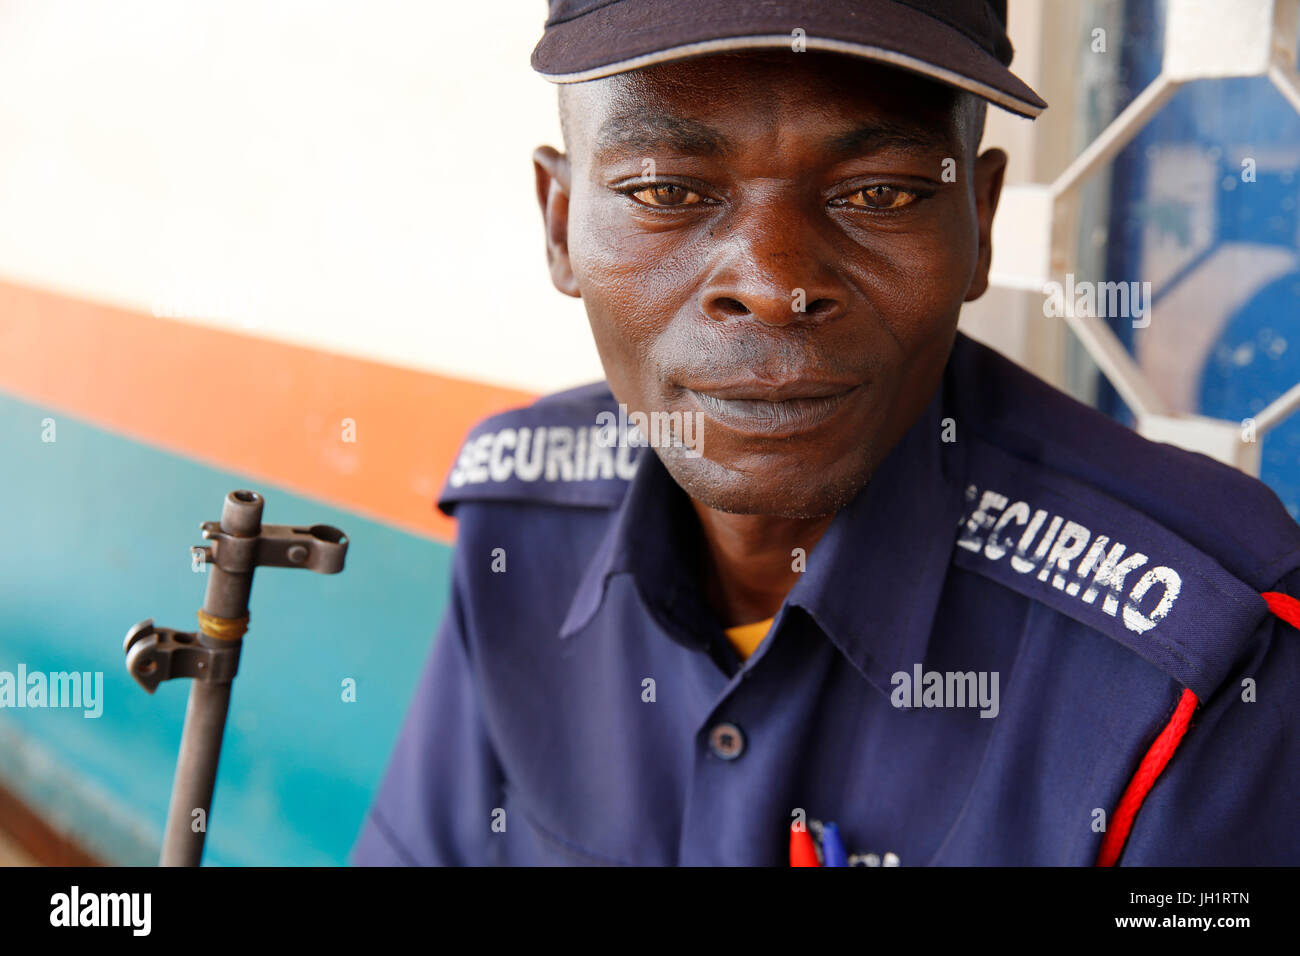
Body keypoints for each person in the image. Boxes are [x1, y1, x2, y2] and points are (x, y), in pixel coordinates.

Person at [352, 0, 1300, 866]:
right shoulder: (520, 529)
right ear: (561, 225)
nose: (774, 282)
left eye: (877, 194)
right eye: (666, 191)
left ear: (980, 219)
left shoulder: (1198, 663)